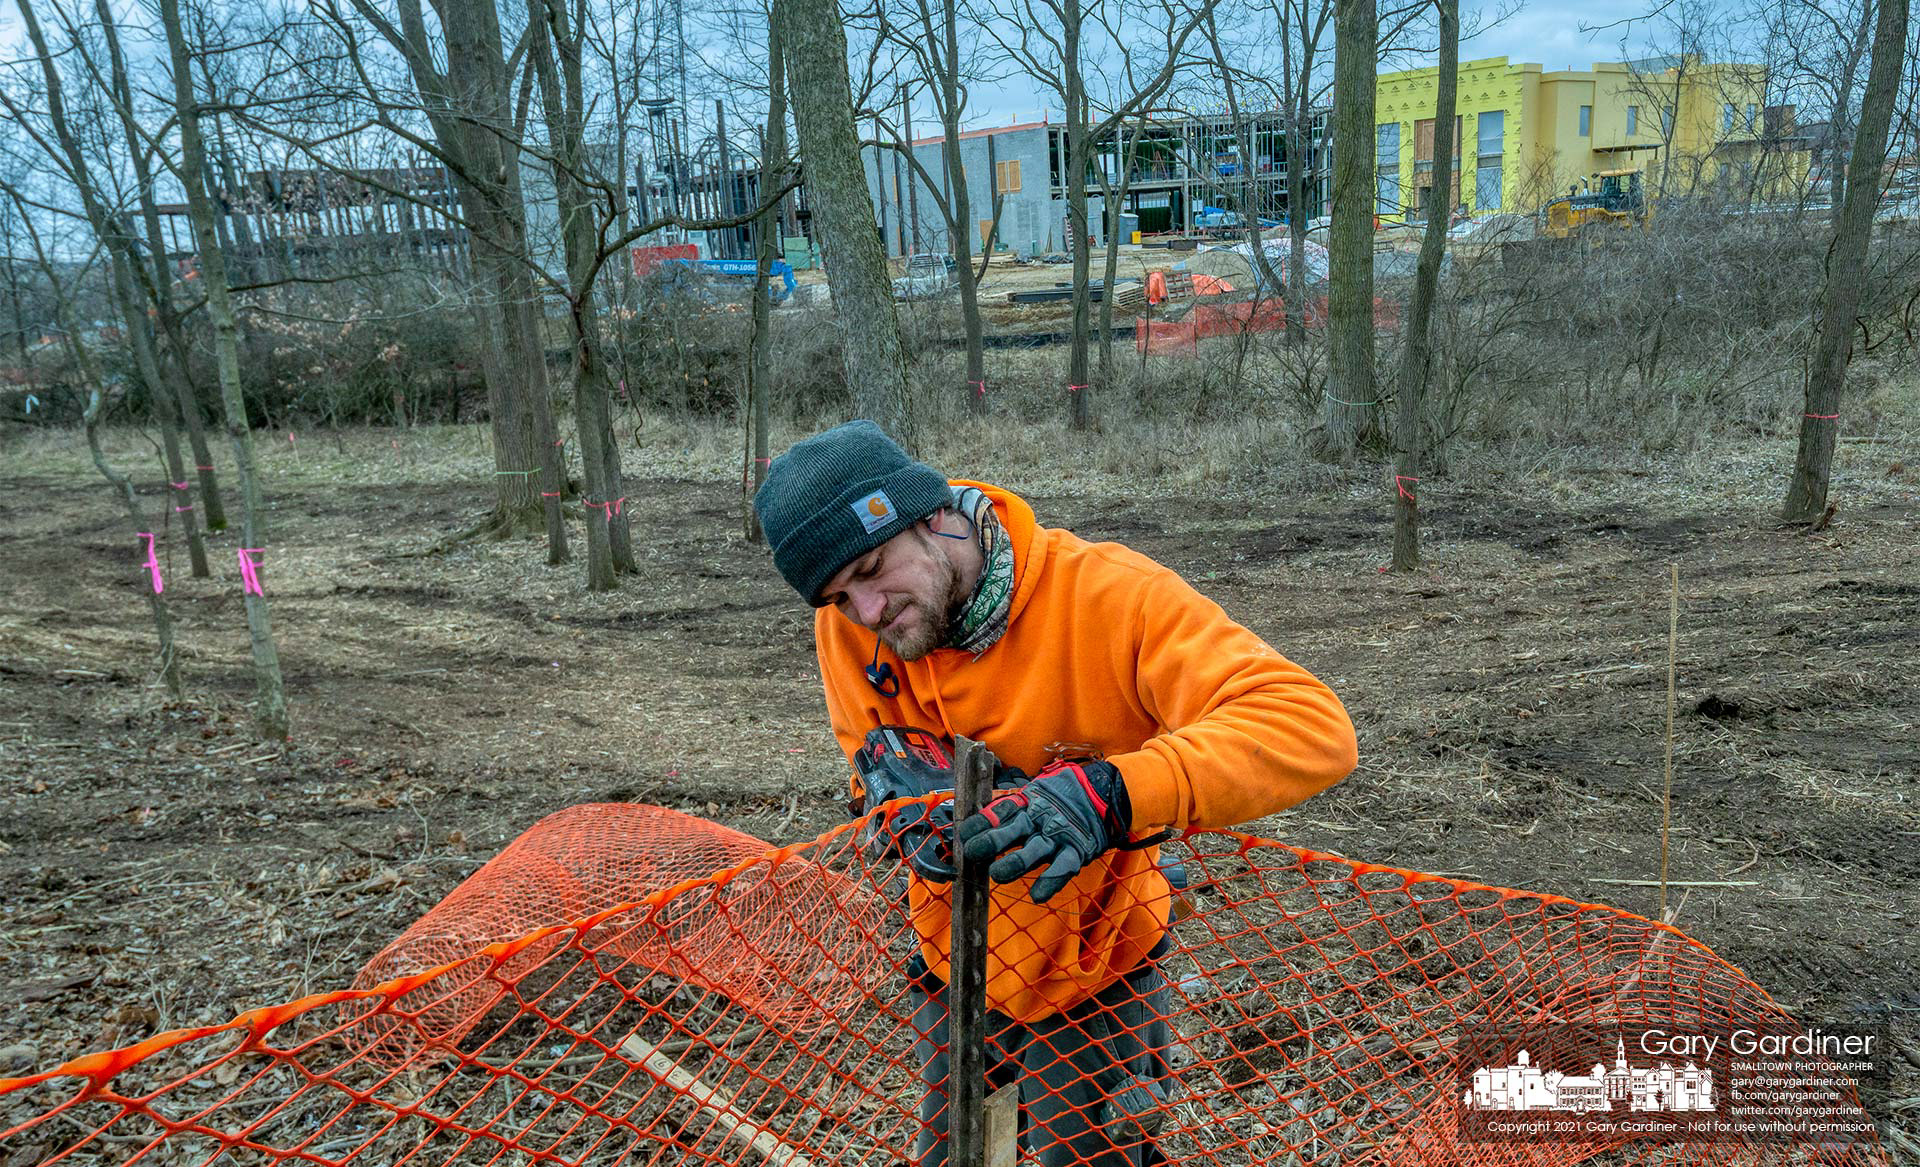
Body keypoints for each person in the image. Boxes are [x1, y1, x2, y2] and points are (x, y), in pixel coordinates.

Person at [753, 421, 1357, 1167]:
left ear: (934, 515)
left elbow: (1312, 727)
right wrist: (889, 804)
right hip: (953, 964)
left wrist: (1111, 794)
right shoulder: (854, 626)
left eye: (875, 568)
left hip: (1095, 969)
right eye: (842, 598)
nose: (869, 613)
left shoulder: (1110, 597)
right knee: (956, 1155)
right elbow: (863, 744)